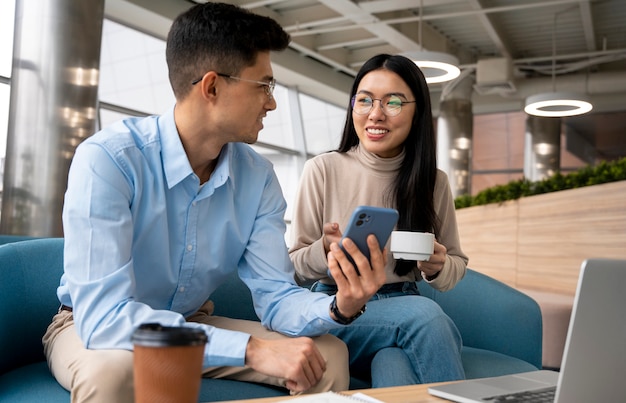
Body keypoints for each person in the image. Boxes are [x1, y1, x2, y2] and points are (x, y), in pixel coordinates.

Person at [42, 3, 388, 402]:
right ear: (212, 87)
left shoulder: (257, 178)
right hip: (92, 327)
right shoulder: (109, 159)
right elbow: (104, 318)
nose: (272, 103)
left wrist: (340, 306)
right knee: (115, 370)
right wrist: (252, 350)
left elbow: (276, 296)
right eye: (264, 85)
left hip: (192, 322)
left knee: (327, 355)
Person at [289, 53, 469, 387]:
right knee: (427, 317)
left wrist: (438, 266)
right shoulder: (323, 169)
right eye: (365, 100)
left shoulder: (433, 182)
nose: (376, 114)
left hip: (404, 302)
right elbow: (295, 265)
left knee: (394, 364)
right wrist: (324, 249)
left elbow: (456, 265)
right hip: (339, 307)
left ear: (417, 113)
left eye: (394, 103)